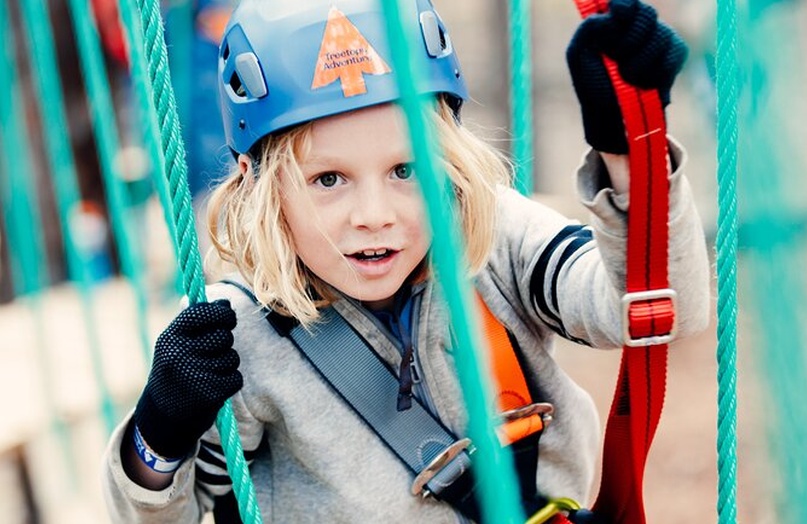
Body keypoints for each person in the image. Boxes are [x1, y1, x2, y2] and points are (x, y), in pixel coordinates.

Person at [101, 0, 711, 521]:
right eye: (329, 179)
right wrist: (158, 437)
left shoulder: (495, 240)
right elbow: (165, 514)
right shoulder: (237, 337)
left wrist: (629, 157)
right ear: (257, 182)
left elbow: (659, 309)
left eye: (405, 169)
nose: (374, 214)